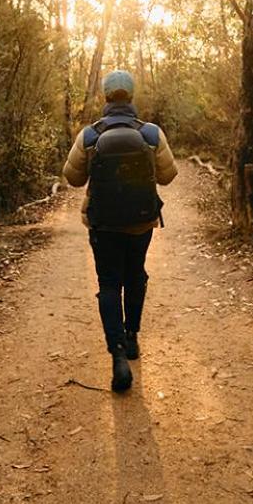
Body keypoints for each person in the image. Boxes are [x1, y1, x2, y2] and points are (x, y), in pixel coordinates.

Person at [62, 70, 179, 392]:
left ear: (105, 96)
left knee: (109, 282)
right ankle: (131, 337)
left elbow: (72, 178)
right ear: (131, 95)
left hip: (103, 224)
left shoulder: (90, 135)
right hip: (141, 221)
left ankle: (117, 356)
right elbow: (168, 176)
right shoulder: (151, 133)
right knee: (135, 275)